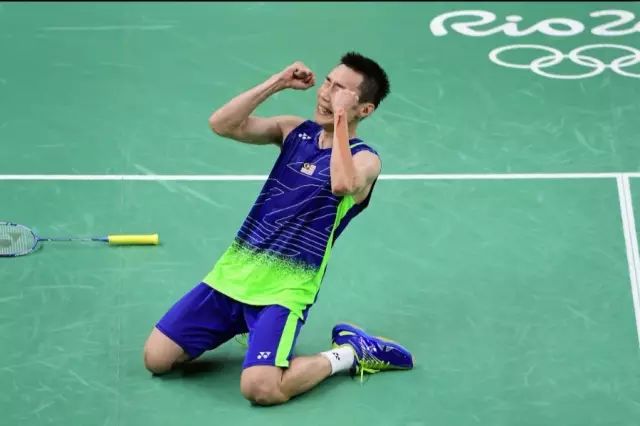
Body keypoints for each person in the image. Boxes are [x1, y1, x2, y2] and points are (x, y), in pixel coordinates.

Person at [143, 52, 414, 406]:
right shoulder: (294, 131)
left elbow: (342, 184)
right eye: (328, 82)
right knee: (157, 359)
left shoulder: (366, 159)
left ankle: (351, 352)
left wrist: (340, 117)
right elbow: (222, 124)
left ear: (365, 109)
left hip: (285, 290)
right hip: (234, 274)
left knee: (261, 389)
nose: (326, 93)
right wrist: (278, 82)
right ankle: (247, 328)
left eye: (341, 91)